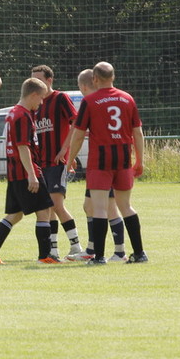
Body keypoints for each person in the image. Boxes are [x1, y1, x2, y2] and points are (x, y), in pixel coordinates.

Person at [68, 61, 147, 265]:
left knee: (100, 209)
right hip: (123, 159)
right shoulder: (127, 98)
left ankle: (99, 257)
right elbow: (137, 132)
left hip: (100, 162)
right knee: (126, 206)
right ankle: (139, 253)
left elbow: (78, 135)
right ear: (113, 77)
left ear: (95, 79)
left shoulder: (90, 101)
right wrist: (140, 160)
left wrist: (69, 160)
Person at [0, 78, 58, 264]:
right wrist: (32, 175)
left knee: (15, 214)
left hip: (15, 173)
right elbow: (23, 147)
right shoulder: (22, 115)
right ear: (33, 95)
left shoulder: (13, 113)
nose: (41, 102)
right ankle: (45, 256)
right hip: (26, 172)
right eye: (40, 98)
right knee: (44, 211)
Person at [29, 65, 83, 259]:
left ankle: (76, 246)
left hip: (57, 161)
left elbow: (76, 122)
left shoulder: (60, 98)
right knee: (48, 207)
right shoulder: (35, 103)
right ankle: (53, 250)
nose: (35, 83)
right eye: (33, 80)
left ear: (49, 80)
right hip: (41, 163)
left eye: (39, 79)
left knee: (56, 204)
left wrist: (65, 150)